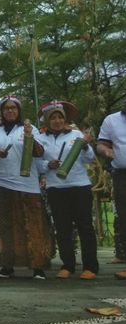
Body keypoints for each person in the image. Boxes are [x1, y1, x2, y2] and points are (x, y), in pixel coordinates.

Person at [0, 95, 51, 280]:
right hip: (1, 182)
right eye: (6, 108)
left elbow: (40, 152)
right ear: (2, 111)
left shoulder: (30, 128)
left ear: (19, 111)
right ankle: (7, 266)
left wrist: (30, 137)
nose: (10, 111)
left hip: (27, 184)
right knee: (4, 225)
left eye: (14, 108)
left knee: (33, 224)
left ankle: (38, 267)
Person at [38, 101, 98, 280]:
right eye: (53, 118)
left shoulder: (76, 134)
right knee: (62, 228)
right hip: (56, 187)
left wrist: (86, 145)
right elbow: (36, 164)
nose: (56, 121)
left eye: (60, 117)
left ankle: (90, 266)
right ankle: (68, 265)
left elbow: (89, 159)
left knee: (85, 226)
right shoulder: (41, 139)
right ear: (47, 121)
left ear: (65, 119)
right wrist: (48, 164)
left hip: (79, 185)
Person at [97, 103, 126, 280]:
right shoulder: (112, 120)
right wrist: (105, 151)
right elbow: (101, 144)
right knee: (124, 217)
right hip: (122, 174)